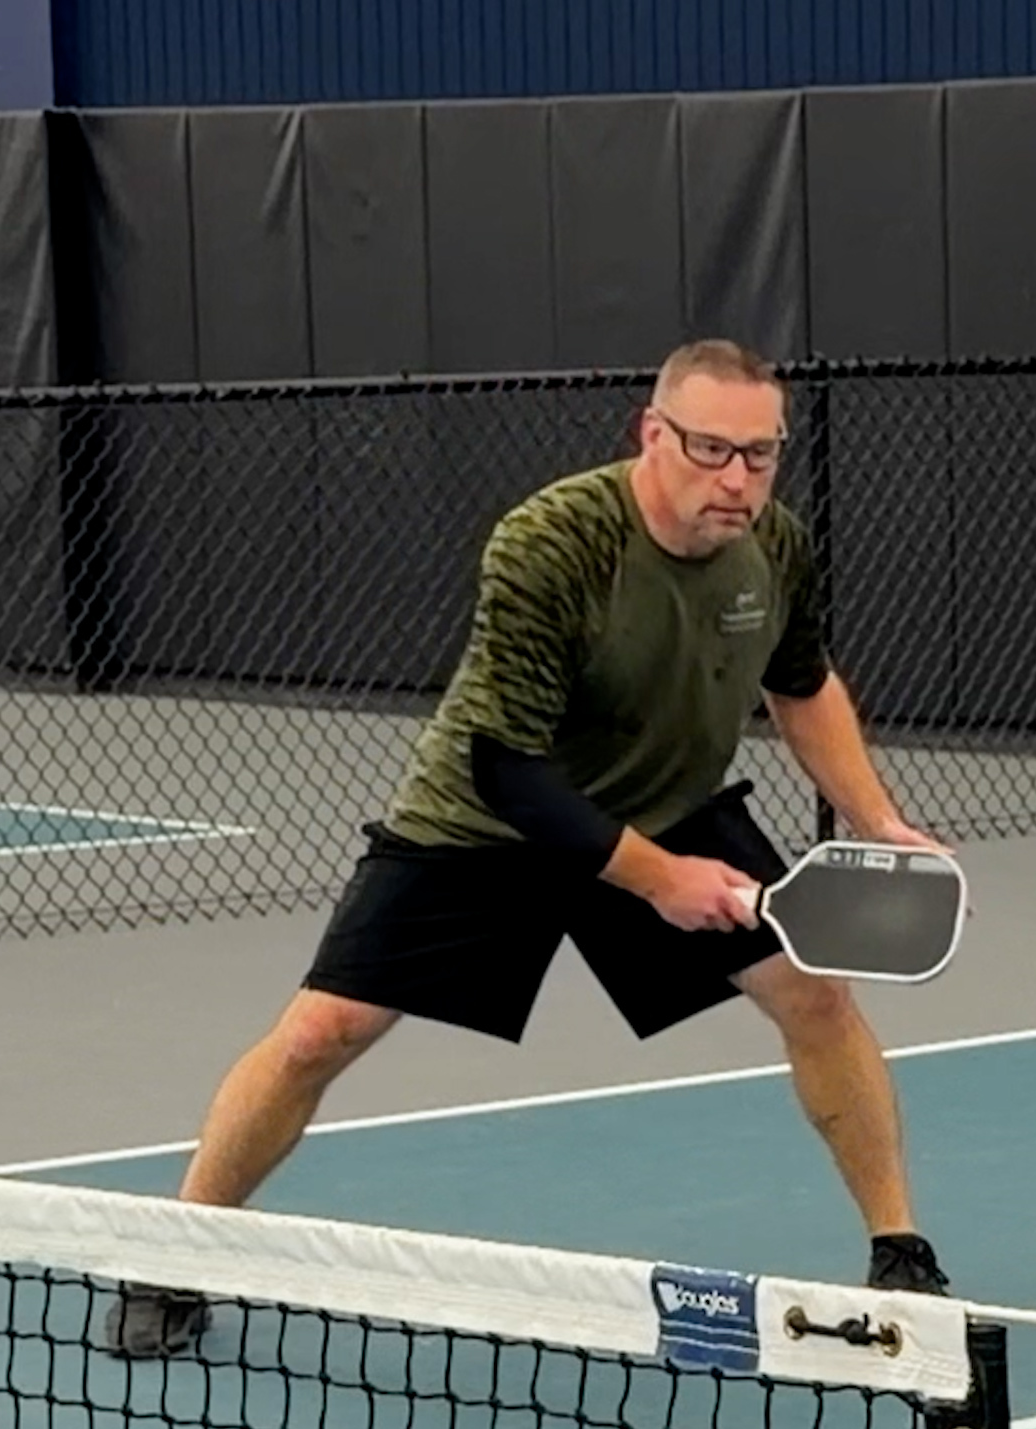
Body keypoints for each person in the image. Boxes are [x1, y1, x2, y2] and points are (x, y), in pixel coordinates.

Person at [103, 339, 951, 1358]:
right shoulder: (552, 541)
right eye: (711, 449)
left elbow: (802, 681)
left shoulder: (776, 546)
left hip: (671, 803)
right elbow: (508, 767)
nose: (737, 479)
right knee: (318, 1034)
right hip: (490, 823)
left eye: (760, 455)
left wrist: (877, 820)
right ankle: (178, 1250)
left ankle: (900, 1247)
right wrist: (658, 878)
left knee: (816, 996)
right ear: (653, 434)